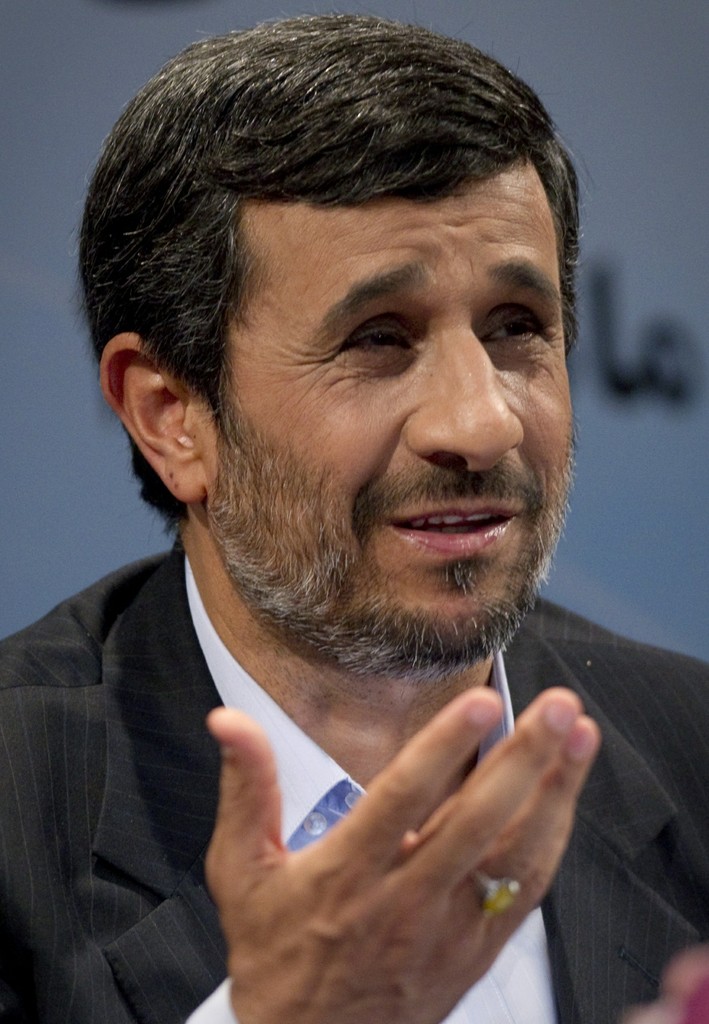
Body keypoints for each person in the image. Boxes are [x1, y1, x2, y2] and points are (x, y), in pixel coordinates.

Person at [0, 14, 707, 1024]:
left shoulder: (691, 749)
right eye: (378, 339)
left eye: (516, 327)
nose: (481, 422)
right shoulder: (18, 810)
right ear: (171, 416)